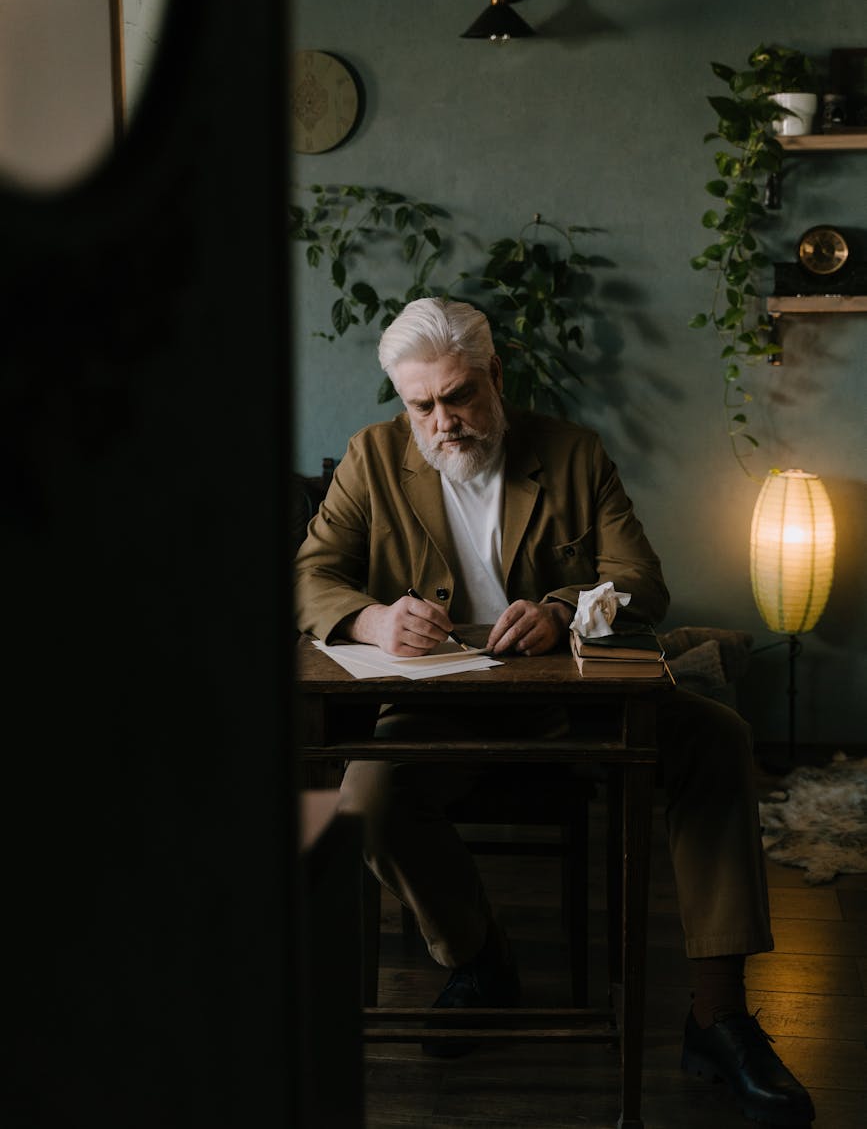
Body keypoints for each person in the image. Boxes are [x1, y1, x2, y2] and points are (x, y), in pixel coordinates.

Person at [294, 298, 814, 1127]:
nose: (444, 422)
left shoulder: (570, 452)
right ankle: (477, 958)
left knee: (716, 737)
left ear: (495, 376)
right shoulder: (370, 458)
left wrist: (566, 608)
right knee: (366, 799)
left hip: (581, 700)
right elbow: (307, 575)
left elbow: (640, 580)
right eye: (421, 405)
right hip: (441, 708)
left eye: (459, 396)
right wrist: (370, 619)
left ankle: (717, 1018)